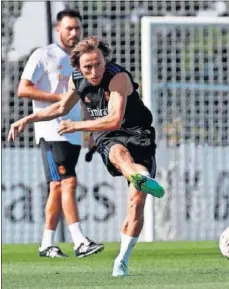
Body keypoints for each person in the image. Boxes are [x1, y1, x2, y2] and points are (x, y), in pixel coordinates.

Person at [8, 36, 165, 275]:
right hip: (108, 135)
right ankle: (141, 176)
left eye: (98, 64)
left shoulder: (118, 78)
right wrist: (28, 119)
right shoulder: (77, 79)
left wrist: (77, 126)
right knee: (119, 154)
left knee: (136, 203)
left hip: (138, 133)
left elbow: (115, 119)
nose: (94, 71)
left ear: (105, 60)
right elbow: (61, 107)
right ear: (78, 67)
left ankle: (122, 257)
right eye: (87, 67)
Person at [15, 11, 104, 258]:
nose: (74, 33)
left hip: (73, 133)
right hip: (50, 131)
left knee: (57, 187)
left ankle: (46, 243)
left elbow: (84, 98)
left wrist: (89, 129)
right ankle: (79, 241)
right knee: (68, 182)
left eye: (77, 28)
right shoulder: (44, 55)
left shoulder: (80, 61)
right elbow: (23, 89)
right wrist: (61, 100)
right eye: (69, 28)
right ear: (58, 29)